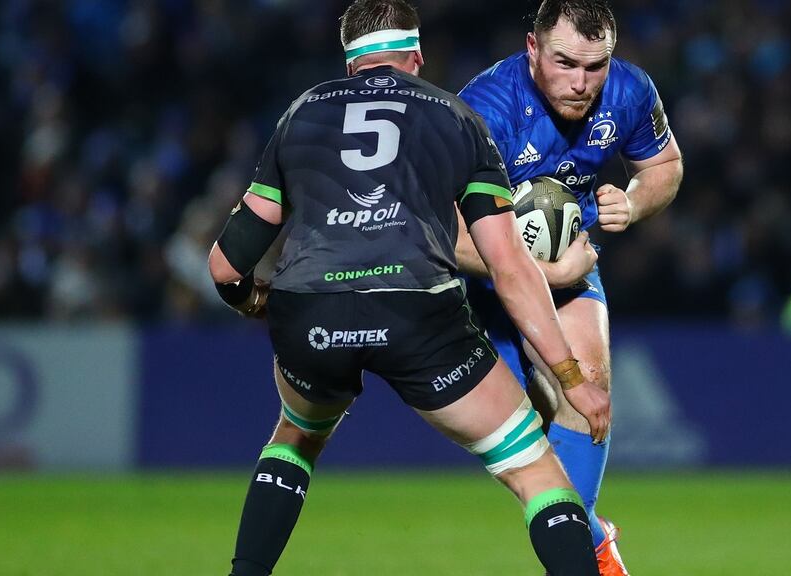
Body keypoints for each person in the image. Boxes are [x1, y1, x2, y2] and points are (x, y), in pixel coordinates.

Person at [206, 1, 612, 574]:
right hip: (417, 315)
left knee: (296, 435)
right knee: (537, 472)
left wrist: (253, 302)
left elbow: (225, 266)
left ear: (351, 65)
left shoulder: (301, 114)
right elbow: (510, 268)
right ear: (417, 57)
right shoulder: (456, 118)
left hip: (309, 312)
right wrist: (571, 376)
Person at [455, 1, 684, 574]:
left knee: (588, 392)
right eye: (565, 63)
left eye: (595, 66)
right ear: (532, 47)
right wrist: (546, 273)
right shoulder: (484, 111)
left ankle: (580, 550)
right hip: (476, 280)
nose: (581, 83)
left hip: (568, 266)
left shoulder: (630, 91)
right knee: (520, 433)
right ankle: (587, 536)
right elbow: (441, 232)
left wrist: (630, 203)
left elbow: (665, 166)